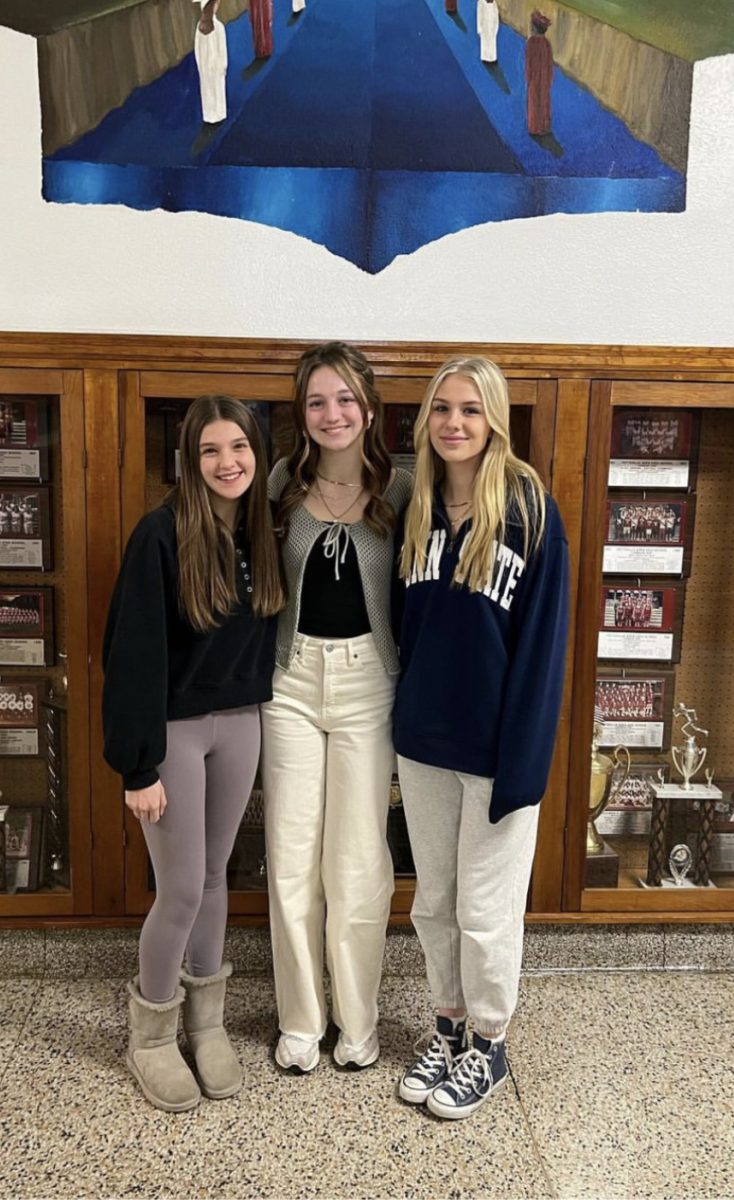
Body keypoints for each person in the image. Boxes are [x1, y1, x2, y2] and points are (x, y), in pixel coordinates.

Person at [393, 356, 569, 1120]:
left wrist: (523, 764)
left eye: (469, 409)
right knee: (434, 902)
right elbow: (408, 627)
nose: (454, 423)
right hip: (424, 740)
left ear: (493, 419)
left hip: (498, 750)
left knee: (486, 910)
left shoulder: (528, 508)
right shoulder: (418, 503)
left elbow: (543, 643)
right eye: (441, 410)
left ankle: (489, 1046)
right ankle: (448, 1025)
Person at [102, 395, 284, 1112]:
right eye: (209, 450)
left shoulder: (264, 533)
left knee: (215, 878)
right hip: (175, 729)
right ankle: (150, 1034)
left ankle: (206, 1025)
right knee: (178, 889)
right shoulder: (159, 534)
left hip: (240, 722)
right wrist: (137, 765)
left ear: (255, 454)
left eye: (237, 447)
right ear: (188, 458)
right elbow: (130, 653)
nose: (226, 462)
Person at [262, 342, 413, 1075]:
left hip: (367, 683)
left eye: (346, 399)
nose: (333, 413)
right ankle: (299, 1021)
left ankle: (357, 1021)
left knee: (356, 863)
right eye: (317, 401)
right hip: (288, 684)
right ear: (301, 412)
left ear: (369, 408)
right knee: (290, 858)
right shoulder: (278, 485)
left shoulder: (403, 491)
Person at [194, 0, 227, 125]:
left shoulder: (199, 28)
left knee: (207, 89)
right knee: (217, 88)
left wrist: (200, 66)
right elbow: (222, 50)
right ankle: (219, 114)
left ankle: (209, 115)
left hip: (205, 67)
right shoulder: (218, 27)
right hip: (216, 66)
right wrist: (223, 66)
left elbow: (197, 50)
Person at [525, 11, 554, 136]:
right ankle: (544, 126)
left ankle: (534, 127)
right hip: (544, 78)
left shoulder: (531, 42)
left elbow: (528, 63)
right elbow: (549, 63)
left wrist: (528, 76)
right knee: (544, 101)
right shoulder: (547, 44)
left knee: (534, 101)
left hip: (534, 79)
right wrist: (549, 78)